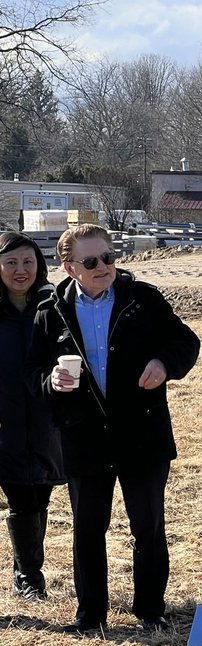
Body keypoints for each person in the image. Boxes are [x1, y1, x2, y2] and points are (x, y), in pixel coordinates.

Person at [29, 224, 200, 634]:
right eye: (91, 261)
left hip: (143, 433)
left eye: (108, 257)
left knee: (148, 526)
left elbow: (186, 343)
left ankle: (151, 610)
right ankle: (90, 615)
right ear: (70, 268)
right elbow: (32, 372)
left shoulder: (143, 299)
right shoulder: (49, 312)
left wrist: (163, 364)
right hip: (83, 436)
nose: (104, 266)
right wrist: (51, 381)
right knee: (88, 529)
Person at [0, 232, 64, 602]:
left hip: (46, 418)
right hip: (6, 420)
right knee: (20, 496)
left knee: (41, 494)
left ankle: (25, 567)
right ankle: (28, 575)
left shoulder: (52, 305)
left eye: (28, 262)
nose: (20, 270)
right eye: (10, 263)